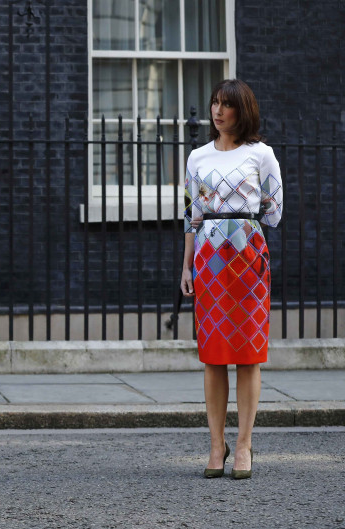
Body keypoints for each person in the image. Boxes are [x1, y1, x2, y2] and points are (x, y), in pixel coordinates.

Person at [180, 79, 283, 480]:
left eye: (227, 105)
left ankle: (243, 445)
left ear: (244, 110)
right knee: (213, 355)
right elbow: (192, 214)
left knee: (248, 354)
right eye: (215, 104)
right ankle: (215, 444)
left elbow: (273, 212)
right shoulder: (197, 157)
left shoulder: (262, 155)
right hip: (208, 262)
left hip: (250, 260)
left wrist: (242, 223)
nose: (218, 111)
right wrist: (186, 266)